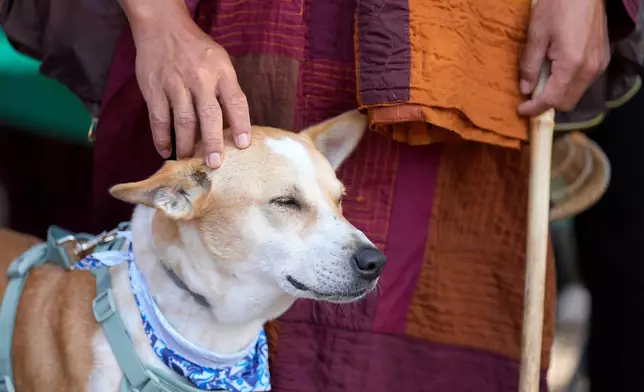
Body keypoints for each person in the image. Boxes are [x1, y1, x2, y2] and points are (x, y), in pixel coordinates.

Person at [82, 0, 627, 390]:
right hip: (264, 29)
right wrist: (158, 18)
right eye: (291, 204)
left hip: (477, 56)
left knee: (458, 327)